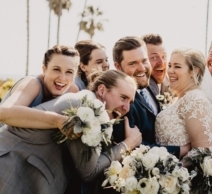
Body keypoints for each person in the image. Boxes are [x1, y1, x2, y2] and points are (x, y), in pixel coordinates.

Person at [0, 70, 141, 194]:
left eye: (130, 101)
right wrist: (127, 144)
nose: (126, 108)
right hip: (9, 172)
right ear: (102, 90)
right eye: (123, 98)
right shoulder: (87, 109)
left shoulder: (87, 101)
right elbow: (89, 172)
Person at [112, 36, 191, 159]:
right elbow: (134, 148)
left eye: (144, 61)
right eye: (133, 63)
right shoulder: (118, 102)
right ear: (117, 67)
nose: (142, 68)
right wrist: (180, 150)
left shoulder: (148, 87)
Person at [155, 48, 212, 152]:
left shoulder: (196, 101)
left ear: (194, 71)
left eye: (177, 66)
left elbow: (203, 152)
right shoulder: (180, 99)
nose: (169, 71)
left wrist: (173, 167)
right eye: (169, 66)